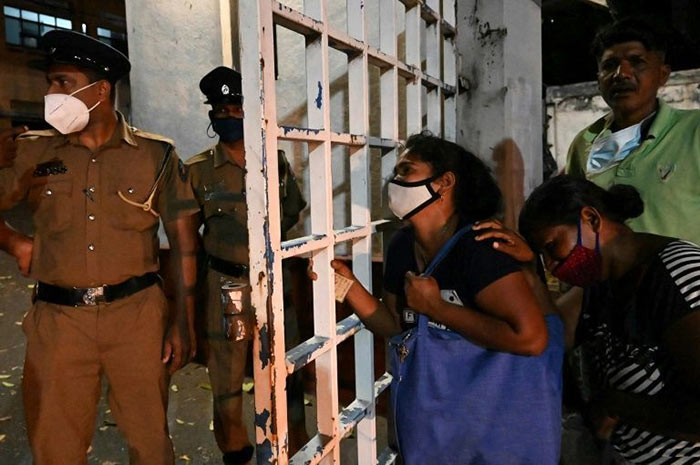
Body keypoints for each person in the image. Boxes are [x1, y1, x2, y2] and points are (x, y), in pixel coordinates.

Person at [0, 31, 199, 464]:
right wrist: (14, 241)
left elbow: (184, 245)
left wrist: (183, 321)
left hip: (137, 318)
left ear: (100, 90)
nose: (51, 94)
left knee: (150, 445)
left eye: (62, 82)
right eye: (50, 83)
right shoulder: (33, 152)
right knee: (55, 447)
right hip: (58, 323)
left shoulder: (155, 155)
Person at [318, 132, 564, 464]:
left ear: (444, 182)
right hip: (439, 428)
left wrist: (437, 308)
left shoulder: (481, 247)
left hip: (494, 433)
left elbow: (532, 339)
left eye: (407, 171)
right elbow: (394, 325)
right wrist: (347, 287)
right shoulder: (402, 246)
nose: (394, 181)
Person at [477, 175, 700, 464]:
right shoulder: (601, 282)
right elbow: (554, 338)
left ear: (590, 219)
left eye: (552, 247)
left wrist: (617, 403)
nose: (552, 267)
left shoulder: (678, 278)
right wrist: (529, 272)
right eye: (542, 257)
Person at [186, 66, 307, 465]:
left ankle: (293, 445)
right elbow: (186, 237)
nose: (227, 115)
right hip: (224, 283)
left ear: (250, 110)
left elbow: (292, 212)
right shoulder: (198, 169)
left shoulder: (275, 160)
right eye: (219, 108)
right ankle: (235, 453)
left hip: (273, 284)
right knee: (226, 380)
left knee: (285, 370)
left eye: (235, 106)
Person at [565, 17, 700, 246]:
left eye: (637, 62)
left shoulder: (694, 131)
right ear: (598, 79)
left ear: (662, 75)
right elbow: (573, 223)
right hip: (607, 282)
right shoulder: (585, 145)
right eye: (609, 65)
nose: (621, 74)